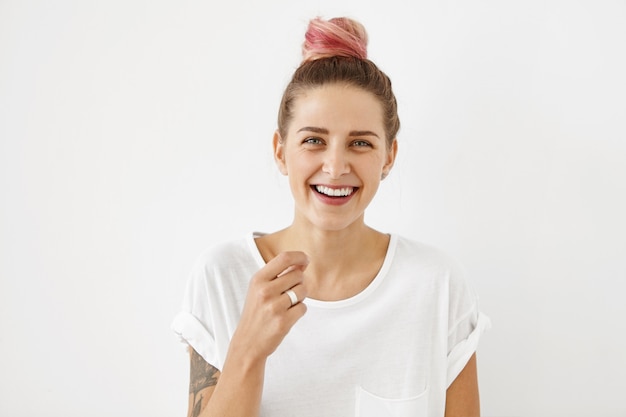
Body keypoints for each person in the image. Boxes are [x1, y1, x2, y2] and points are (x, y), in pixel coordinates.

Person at [172, 16, 490, 417]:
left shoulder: (437, 286)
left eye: (360, 142)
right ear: (280, 150)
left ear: (388, 156)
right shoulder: (222, 277)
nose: (336, 166)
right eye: (313, 141)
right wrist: (248, 349)